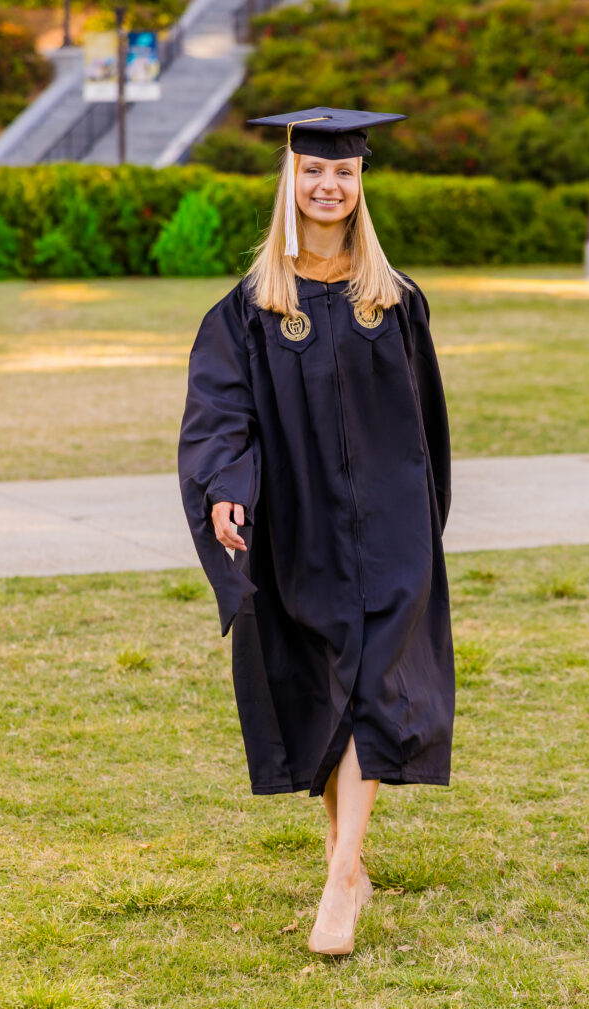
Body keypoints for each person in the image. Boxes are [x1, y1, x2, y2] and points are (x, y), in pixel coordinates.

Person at [178, 106, 456, 956]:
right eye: (312, 172)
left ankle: (340, 884)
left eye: (342, 172)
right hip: (301, 527)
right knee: (331, 680)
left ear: (360, 183)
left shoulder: (394, 301)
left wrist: (423, 515)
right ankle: (351, 859)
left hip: (392, 524)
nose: (327, 185)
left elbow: (428, 424)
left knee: (373, 678)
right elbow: (219, 416)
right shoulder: (250, 311)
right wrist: (227, 489)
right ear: (289, 181)